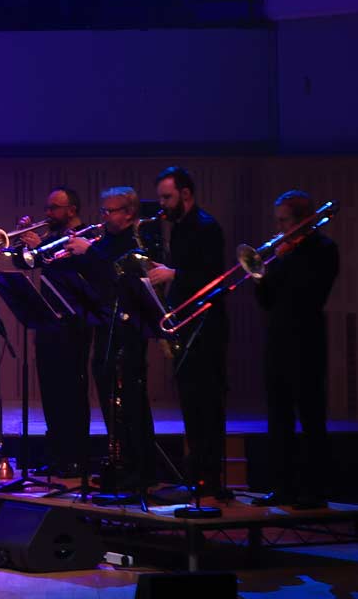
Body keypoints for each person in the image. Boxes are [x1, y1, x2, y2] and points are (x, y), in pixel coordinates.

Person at [64, 188, 159, 494]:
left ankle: (139, 467)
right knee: (108, 397)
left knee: (129, 401)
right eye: (103, 210)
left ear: (129, 213)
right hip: (106, 326)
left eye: (110, 211)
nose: (103, 216)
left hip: (129, 329)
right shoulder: (106, 241)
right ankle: (119, 462)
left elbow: (118, 274)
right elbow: (94, 275)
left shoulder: (136, 242)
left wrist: (88, 253)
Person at [145, 165, 230, 500]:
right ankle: (197, 477)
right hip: (186, 325)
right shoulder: (178, 228)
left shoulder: (206, 227)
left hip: (207, 328)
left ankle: (209, 478)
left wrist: (172, 274)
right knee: (191, 404)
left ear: (185, 193)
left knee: (207, 403)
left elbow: (211, 277)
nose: (162, 204)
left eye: (167, 197)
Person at [253, 191, 340, 508]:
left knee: (311, 417)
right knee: (279, 418)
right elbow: (267, 302)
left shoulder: (324, 249)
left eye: (284, 221)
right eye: (277, 221)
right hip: (277, 340)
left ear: (303, 220)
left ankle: (315, 490)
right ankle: (283, 486)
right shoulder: (281, 253)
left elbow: (309, 294)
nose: (278, 228)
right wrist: (261, 276)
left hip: (307, 341)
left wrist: (286, 258)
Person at [19, 187, 91, 478]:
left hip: (75, 321)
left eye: (54, 208)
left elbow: (72, 266)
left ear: (71, 209)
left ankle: (76, 456)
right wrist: (27, 245)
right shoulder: (51, 238)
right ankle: (58, 453)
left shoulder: (86, 235)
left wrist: (40, 248)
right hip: (49, 318)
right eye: (47, 208)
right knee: (50, 389)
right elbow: (30, 263)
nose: (47, 214)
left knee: (71, 390)